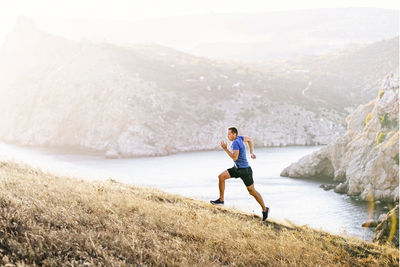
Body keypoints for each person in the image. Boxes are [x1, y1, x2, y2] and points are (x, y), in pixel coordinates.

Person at [210, 127, 269, 221]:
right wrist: (251, 152)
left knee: (252, 191)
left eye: (229, 134)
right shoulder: (240, 138)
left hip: (245, 171)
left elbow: (235, 157)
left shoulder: (235, 142)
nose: (228, 136)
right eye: (227, 134)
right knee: (221, 176)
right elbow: (250, 139)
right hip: (237, 169)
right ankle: (221, 200)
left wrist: (225, 149)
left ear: (234, 134)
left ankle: (265, 209)